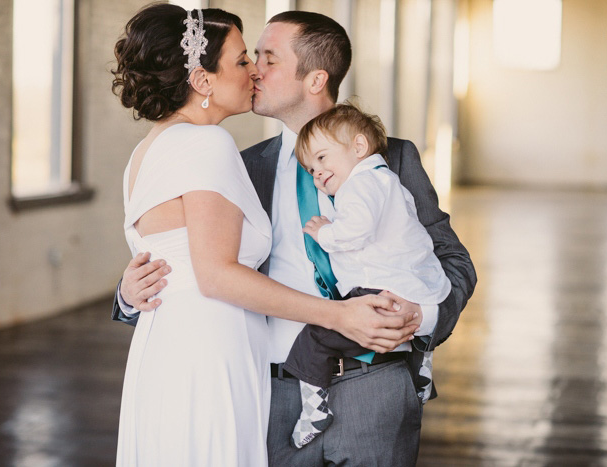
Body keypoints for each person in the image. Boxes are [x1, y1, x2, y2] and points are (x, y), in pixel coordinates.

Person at [114, 10, 477, 466]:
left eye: (267, 58)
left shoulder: (393, 157)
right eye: (248, 58)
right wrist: (129, 294)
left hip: (375, 385)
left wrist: (416, 318)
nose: (255, 71)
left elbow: (452, 260)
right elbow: (198, 265)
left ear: (315, 78)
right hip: (275, 393)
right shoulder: (243, 166)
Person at [282, 102, 452, 448]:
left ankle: (315, 408)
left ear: (359, 148)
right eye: (311, 168)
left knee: (313, 340)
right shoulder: (383, 180)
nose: (316, 173)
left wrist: (323, 233)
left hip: (377, 288)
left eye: (322, 159)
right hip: (411, 283)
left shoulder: (360, 185)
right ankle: (422, 370)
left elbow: (355, 230)